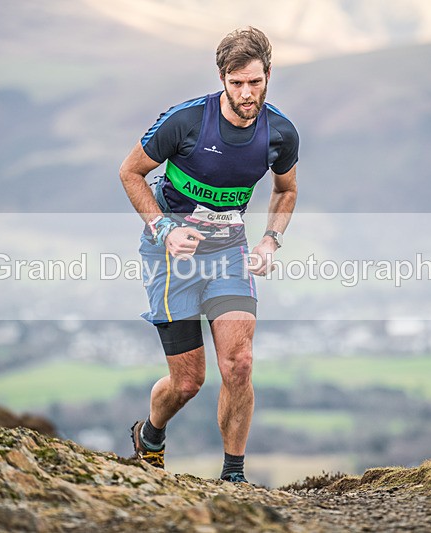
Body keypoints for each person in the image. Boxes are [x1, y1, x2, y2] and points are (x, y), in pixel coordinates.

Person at [119, 27, 299, 483]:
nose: (246, 93)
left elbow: (286, 189)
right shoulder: (186, 122)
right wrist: (163, 230)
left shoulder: (279, 132)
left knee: (239, 363)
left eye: (254, 82)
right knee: (187, 382)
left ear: (268, 75)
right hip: (171, 257)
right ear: (222, 78)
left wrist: (270, 240)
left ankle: (233, 476)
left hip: (229, 254)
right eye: (236, 83)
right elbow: (131, 172)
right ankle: (152, 434)